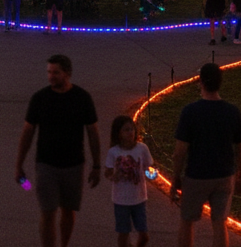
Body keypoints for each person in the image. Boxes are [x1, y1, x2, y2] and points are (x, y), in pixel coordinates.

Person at [15, 55, 101, 247]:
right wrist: (19, 165)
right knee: (47, 212)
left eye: (56, 72)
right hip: (46, 165)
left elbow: (93, 133)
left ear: (67, 73)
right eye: (49, 72)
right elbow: (28, 132)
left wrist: (96, 165)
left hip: (74, 165)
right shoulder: (40, 98)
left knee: (68, 210)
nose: (51, 76)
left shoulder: (82, 98)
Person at [169, 63, 241, 247]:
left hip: (196, 175)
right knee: (220, 223)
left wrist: (176, 178)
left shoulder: (190, 112)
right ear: (220, 83)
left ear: (201, 82)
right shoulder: (232, 112)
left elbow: (180, 151)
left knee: (187, 220)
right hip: (224, 176)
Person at [104, 115, 153, 247]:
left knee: (144, 235)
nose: (130, 132)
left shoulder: (142, 148)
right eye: (126, 130)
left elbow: (148, 168)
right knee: (123, 234)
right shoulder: (114, 152)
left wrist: (151, 174)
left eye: (132, 129)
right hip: (121, 200)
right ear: (118, 133)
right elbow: (107, 172)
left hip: (139, 198)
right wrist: (114, 176)